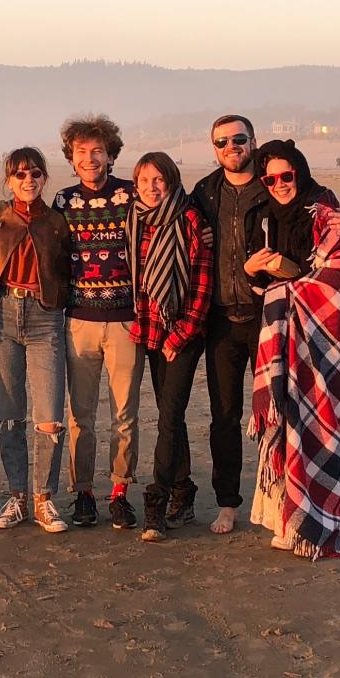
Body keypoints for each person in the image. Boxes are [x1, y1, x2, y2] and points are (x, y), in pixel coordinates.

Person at [190, 116, 340, 535]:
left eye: (239, 139)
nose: (232, 146)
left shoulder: (301, 195)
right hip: (223, 320)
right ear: (214, 148)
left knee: (286, 410)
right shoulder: (205, 192)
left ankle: (287, 498)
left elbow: (335, 233)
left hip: (276, 322)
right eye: (222, 141)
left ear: (253, 143)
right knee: (225, 417)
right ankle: (228, 502)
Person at [245, 140, 340, 560]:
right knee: (284, 422)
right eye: (270, 178)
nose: (279, 184)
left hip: (318, 342)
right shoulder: (263, 216)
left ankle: (318, 526)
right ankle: (286, 518)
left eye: (287, 176)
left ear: (301, 172)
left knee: (317, 424)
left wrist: (287, 289)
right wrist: (257, 273)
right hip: (280, 336)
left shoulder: (322, 208)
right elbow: (257, 279)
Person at [51, 114, 144, 530]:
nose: (90, 159)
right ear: (71, 158)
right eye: (81, 152)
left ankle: (120, 492)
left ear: (110, 155)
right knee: (80, 416)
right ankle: (84, 492)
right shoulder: (63, 201)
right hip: (80, 322)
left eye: (97, 151)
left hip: (126, 320)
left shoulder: (131, 196)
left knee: (125, 413)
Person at [0, 147, 73, 533]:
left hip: (45, 316)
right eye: (20, 174)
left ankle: (44, 498)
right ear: (8, 180)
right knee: (8, 412)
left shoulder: (57, 222)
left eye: (35, 173)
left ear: (44, 178)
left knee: (50, 414)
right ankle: (17, 495)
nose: (28, 180)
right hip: (3, 314)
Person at [127, 153, 213, 541]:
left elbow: (200, 284)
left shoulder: (191, 220)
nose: (151, 187)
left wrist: (180, 335)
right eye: (144, 180)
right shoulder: (135, 219)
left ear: (173, 180)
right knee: (169, 413)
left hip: (182, 333)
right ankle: (185, 491)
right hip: (149, 330)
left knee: (167, 416)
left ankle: (157, 501)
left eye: (158, 179)